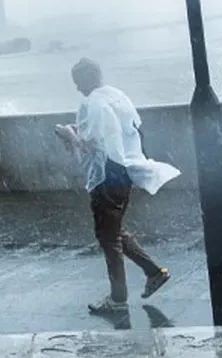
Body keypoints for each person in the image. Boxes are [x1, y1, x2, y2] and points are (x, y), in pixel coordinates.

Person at [55, 58, 179, 315]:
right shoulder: (118, 97)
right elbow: (119, 133)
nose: (78, 89)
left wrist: (69, 134)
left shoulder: (93, 102)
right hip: (125, 172)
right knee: (114, 230)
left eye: (78, 83)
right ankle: (154, 272)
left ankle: (118, 299)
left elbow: (89, 145)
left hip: (106, 176)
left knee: (108, 238)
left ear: (87, 79)